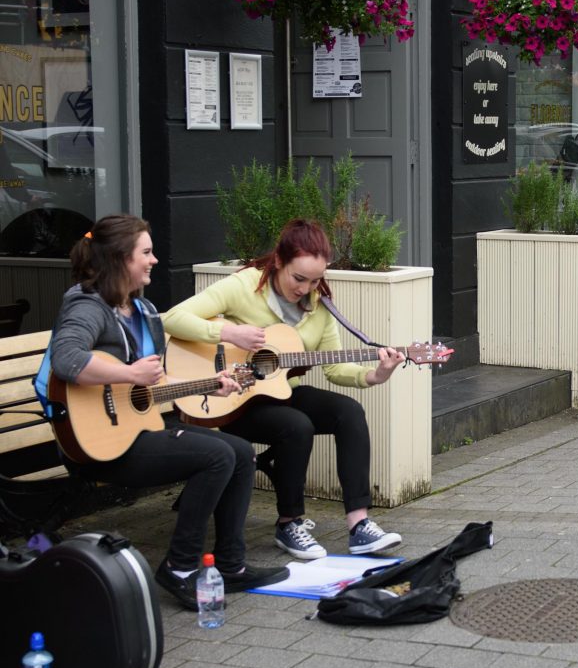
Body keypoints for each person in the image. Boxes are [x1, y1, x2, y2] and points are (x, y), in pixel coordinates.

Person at [44, 215, 288, 610]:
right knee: (217, 455)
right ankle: (179, 567)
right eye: (146, 252)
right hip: (99, 446)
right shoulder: (88, 305)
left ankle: (230, 564)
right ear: (121, 259)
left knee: (241, 452)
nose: (155, 260)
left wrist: (215, 382)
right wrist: (128, 372)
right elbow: (67, 359)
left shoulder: (140, 310)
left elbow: (154, 382)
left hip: (136, 431)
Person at [163, 219, 405, 559]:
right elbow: (172, 318)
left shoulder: (320, 305)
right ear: (278, 261)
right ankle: (289, 522)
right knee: (296, 426)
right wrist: (229, 335)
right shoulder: (244, 286)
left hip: (279, 392)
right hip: (230, 400)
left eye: (315, 279)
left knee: (348, 411)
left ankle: (359, 524)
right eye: (298, 278)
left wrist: (376, 375)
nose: (306, 288)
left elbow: (334, 367)